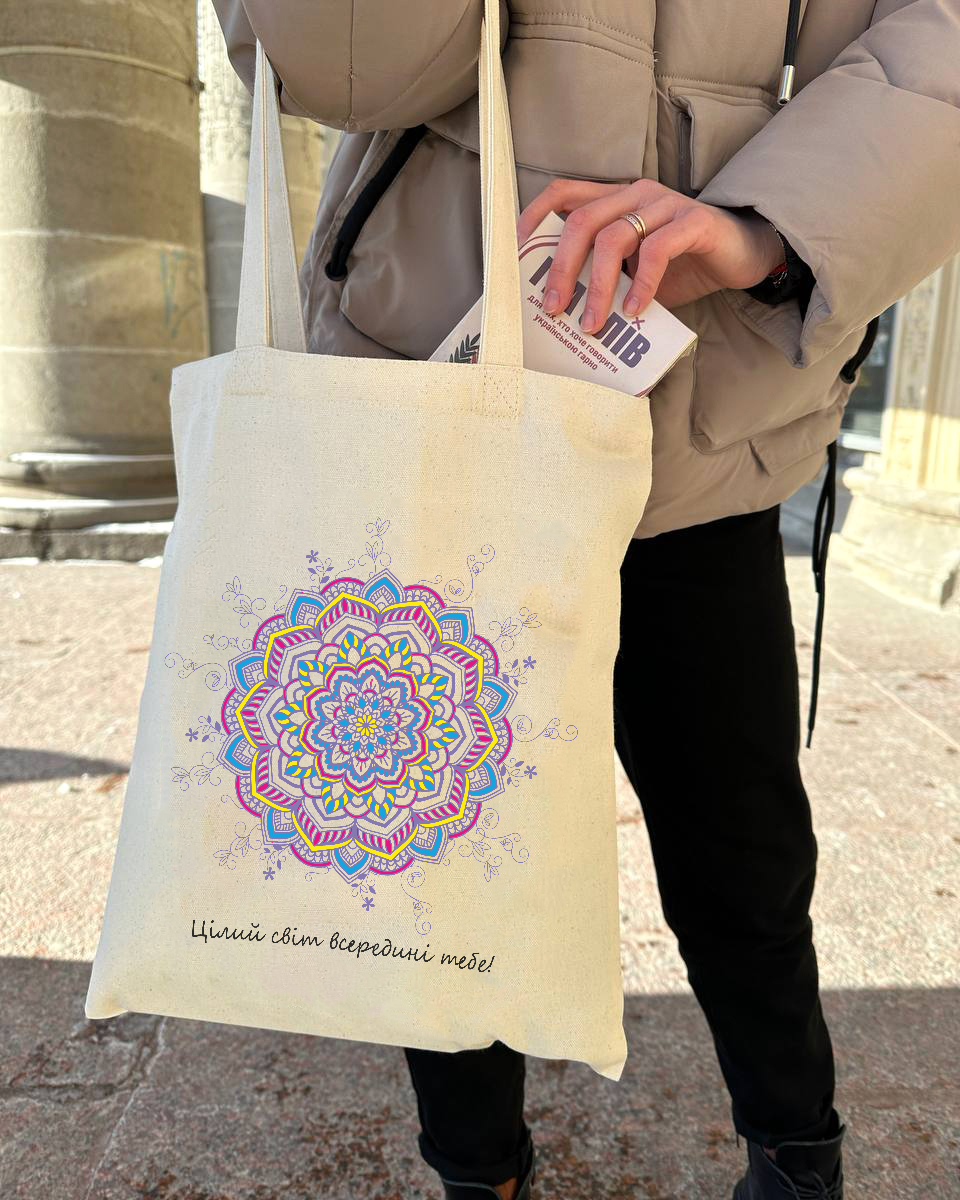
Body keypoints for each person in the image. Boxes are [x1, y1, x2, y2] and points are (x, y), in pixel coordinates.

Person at [212, 2, 960, 1196]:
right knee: (439, 850)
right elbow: (331, 63)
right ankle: (479, 1173)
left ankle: (796, 1156)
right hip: (436, 402)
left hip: (697, 419)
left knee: (743, 859)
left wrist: (781, 221)